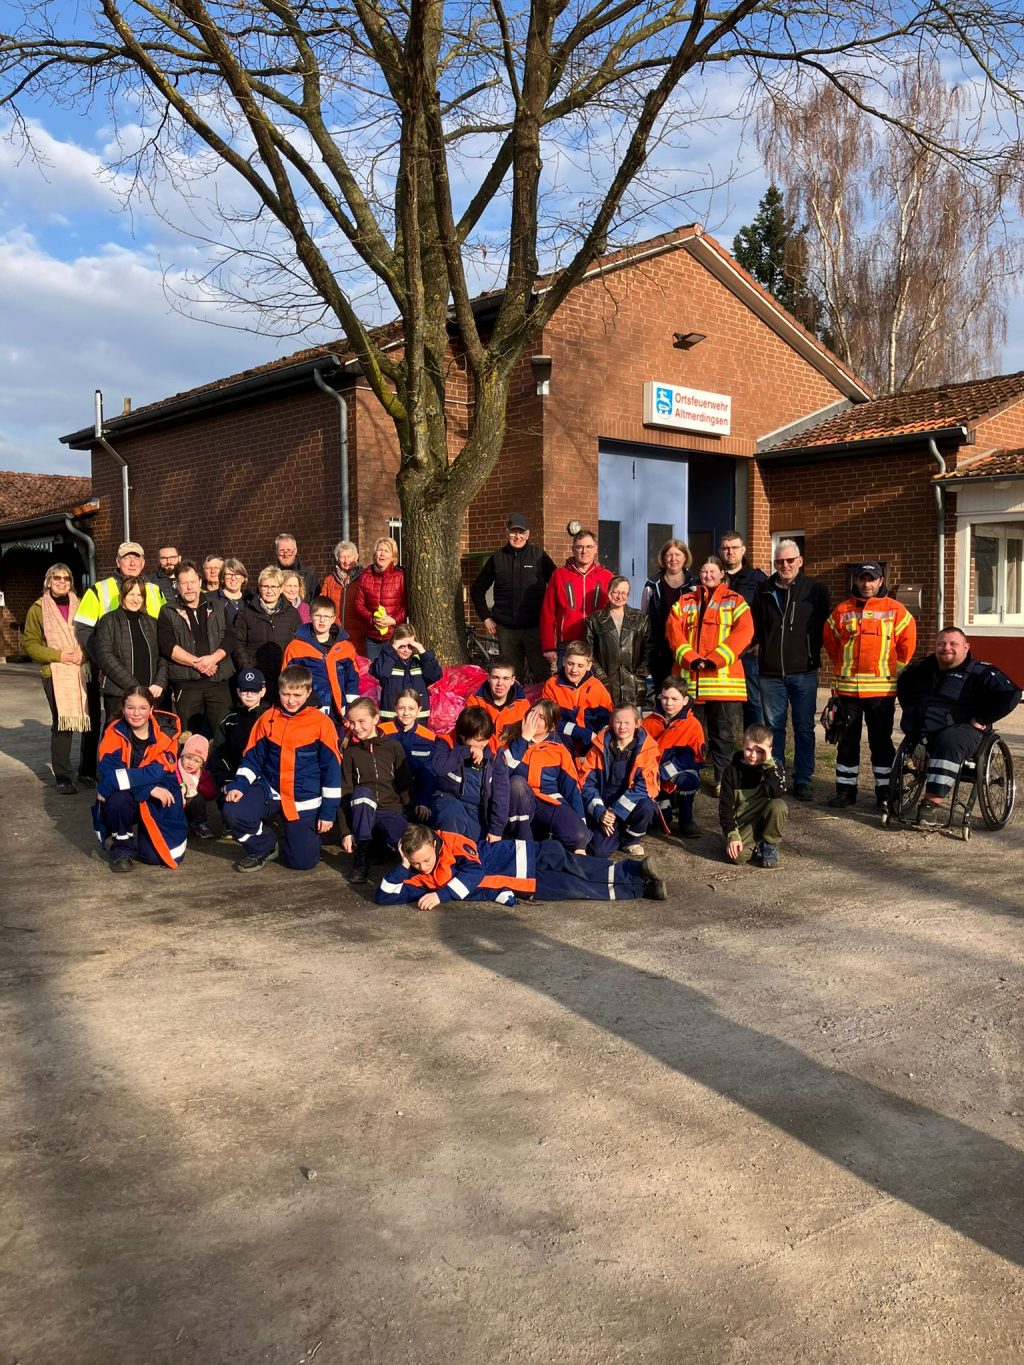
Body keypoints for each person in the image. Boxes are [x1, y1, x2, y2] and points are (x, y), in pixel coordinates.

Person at [896, 627, 1021, 827]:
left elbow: (1012, 694)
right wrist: (913, 722)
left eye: (953, 644)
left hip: (964, 731)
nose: (946, 648)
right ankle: (890, 796)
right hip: (925, 729)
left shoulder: (980, 671)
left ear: (966, 647)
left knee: (948, 741)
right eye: (941, 644)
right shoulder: (921, 669)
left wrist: (982, 718)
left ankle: (930, 804)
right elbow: (904, 688)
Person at [222, 663, 342, 872]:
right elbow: (252, 759)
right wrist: (239, 785)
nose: (291, 700)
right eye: (286, 694)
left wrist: (328, 813)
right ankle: (265, 845)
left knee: (302, 863)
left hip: (303, 798)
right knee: (234, 810)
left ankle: (296, 835)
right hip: (271, 789)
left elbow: (332, 772)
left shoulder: (322, 723)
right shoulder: (267, 718)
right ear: (279, 691)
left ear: (308, 692)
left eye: (297, 694)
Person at [376, 824, 667, 909]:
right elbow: (384, 895)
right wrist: (403, 867)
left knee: (581, 866)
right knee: (577, 888)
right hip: (524, 885)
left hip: (526, 855)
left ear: (435, 844)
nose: (424, 868)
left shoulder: (451, 842)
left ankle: (635, 869)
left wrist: (441, 895)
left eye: (426, 860)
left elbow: (474, 872)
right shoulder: (416, 874)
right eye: (417, 863)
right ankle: (643, 890)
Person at [822, 560, 917, 809]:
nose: (866, 583)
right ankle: (845, 791)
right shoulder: (841, 610)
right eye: (862, 579)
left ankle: (886, 793)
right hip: (847, 691)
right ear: (856, 580)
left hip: (881, 691)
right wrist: (844, 666)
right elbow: (831, 643)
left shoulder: (896, 610)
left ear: (881, 581)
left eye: (871, 579)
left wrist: (892, 671)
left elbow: (907, 647)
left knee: (881, 742)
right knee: (847, 742)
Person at [751, 539, 831, 801]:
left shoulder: (815, 590)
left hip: (803, 670)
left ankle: (803, 778)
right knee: (775, 727)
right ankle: (778, 776)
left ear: (800, 561)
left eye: (789, 560)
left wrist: (812, 650)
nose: (784, 565)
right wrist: (757, 645)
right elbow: (755, 624)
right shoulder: (763, 589)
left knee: (804, 727)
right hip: (770, 672)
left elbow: (825, 627)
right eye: (779, 561)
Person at [667, 556, 753, 792]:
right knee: (686, 733)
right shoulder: (684, 602)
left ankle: (722, 780)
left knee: (722, 735)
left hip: (723, 684)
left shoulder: (737, 601)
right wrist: (692, 659)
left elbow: (744, 634)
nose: (708, 575)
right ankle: (685, 778)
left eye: (712, 571)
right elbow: (674, 634)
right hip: (691, 682)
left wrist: (715, 659)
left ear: (722, 574)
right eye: (704, 571)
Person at [74, 540, 165, 763]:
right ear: (117, 561)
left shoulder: (155, 590)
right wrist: (105, 663)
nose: (132, 562)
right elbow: (84, 628)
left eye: (137, 558)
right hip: (116, 678)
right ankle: (104, 774)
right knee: (114, 729)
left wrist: (159, 681)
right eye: (126, 558)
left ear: (144, 562)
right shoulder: (99, 589)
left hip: (149, 679)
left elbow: (164, 637)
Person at [94, 686, 187, 873]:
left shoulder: (167, 731)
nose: (136, 714)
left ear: (152, 709)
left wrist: (120, 780)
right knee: (116, 798)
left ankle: (146, 835)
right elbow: (109, 773)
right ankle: (122, 846)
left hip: (162, 790)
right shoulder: (113, 733)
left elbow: (158, 772)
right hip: (144, 792)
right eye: (130, 707)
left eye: (143, 708)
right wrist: (146, 789)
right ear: (123, 708)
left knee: (153, 857)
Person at [23, 563, 95, 794]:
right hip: (55, 671)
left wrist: (83, 654)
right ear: (48, 581)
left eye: (66, 578)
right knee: (63, 722)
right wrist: (59, 655)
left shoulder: (82, 604)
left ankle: (87, 770)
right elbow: (30, 644)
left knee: (90, 720)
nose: (62, 582)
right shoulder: (38, 608)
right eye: (57, 578)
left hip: (83, 669)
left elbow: (92, 634)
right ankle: (63, 775)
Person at [470, 513, 556, 683]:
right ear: (507, 532)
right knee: (511, 678)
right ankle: (514, 708)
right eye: (513, 532)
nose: (517, 536)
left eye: (521, 532)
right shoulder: (497, 558)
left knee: (541, 675)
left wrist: (551, 617)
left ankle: (543, 709)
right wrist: (486, 618)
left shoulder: (539, 556)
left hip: (535, 628)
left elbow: (557, 583)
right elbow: (477, 589)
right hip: (507, 630)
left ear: (528, 534)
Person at [337, 696, 413, 884]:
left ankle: (386, 850)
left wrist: (411, 817)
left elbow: (405, 786)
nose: (356, 727)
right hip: (363, 815)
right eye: (352, 723)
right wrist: (345, 832)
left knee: (407, 844)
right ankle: (361, 856)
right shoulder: (350, 753)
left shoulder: (394, 747)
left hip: (390, 811)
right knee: (362, 794)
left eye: (361, 721)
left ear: (376, 718)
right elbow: (344, 793)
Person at [500, 699, 591, 853]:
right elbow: (501, 772)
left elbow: (571, 788)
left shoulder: (559, 748)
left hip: (547, 801)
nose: (534, 719)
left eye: (541, 717)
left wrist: (581, 822)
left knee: (580, 836)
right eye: (532, 713)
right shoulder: (510, 738)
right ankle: (524, 848)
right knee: (517, 783)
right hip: (518, 801)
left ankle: (545, 840)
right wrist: (523, 739)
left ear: (551, 726)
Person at [157, 559, 236, 734]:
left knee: (223, 735)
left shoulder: (218, 607)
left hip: (218, 683)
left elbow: (230, 638)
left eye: (192, 582)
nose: (189, 587)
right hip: (187, 686)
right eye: (184, 583)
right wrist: (198, 663)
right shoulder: (167, 611)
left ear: (200, 582)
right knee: (188, 736)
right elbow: (167, 646)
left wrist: (212, 659)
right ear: (177, 585)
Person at [580, 705, 661, 856]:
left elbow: (646, 787)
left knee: (648, 807)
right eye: (618, 722)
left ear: (637, 723)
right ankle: (614, 835)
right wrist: (601, 813)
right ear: (612, 723)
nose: (622, 727)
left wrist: (616, 811)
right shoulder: (598, 748)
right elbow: (586, 784)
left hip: (628, 807)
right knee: (599, 852)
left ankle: (630, 840)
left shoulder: (647, 749)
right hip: (604, 807)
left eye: (627, 723)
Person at [95, 574, 169, 723]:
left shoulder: (152, 623)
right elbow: (105, 656)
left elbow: (163, 655)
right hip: (119, 693)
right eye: (131, 594)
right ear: (122, 595)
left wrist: (160, 682)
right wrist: (135, 688)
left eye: (139, 595)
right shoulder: (108, 621)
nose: (135, 599)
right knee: (116, 736)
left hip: (150, 693)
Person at [431, 706, 511, 842]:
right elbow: (438, 767)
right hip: (450, 801)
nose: (483, 744)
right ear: (462, 736)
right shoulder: (446, 743)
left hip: (478, 810)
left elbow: (501, 792)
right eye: (478, 740)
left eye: (486, 739)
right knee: (451, 817)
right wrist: (466, 751)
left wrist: (496, 830)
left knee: (475, 847)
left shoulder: (495, 751)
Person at [539, 528, 614, 669]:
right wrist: (548, 646)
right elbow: (548, 612)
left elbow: (615, 611)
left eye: (589, 547)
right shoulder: (560, 575)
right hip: (567, 644)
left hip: (598, 644)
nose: (584, 551)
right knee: (566, 687)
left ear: (596, 548)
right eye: (579, 547)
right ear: (573, 549)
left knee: (594, 688)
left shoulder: (606, 576)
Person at [643, 678, 705, 838]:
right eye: (664, 698)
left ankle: (686, 820)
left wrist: (663, 773)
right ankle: (665, 809)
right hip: (651, 777)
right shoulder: (648, 722)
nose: (668, 703)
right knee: (658, 823)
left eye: (674, 699)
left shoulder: (693, 725)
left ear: (685, 700)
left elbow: (695, 759)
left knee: (688, 779)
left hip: (673, 776)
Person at [282, 596, 360, 726]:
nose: (322, 620)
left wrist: (352, 707)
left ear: (333, 619)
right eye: (318, 615)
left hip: (339, 713)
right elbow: (288, 681)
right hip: (308, 711)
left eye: (327, 616)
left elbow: (352, 679)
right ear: (311, 616)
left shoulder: (346, 647)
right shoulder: (296, 647)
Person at [719, 723, 788, 869]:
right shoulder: (731, 771)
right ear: (742, 745)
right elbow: (725, 807)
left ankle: (769, 846)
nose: (753, 755)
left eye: (760, 751)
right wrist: (732, 835)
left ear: (769, 750)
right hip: (745, 824)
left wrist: (768, 763)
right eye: (749, 749)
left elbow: (777, 792)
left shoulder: (775, 767)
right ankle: (756, 844)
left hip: (765, 816)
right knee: (737, 857)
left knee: (779, 805)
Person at [719, 530, 768, 726]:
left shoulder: (757, 579)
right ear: (720, 551)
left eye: (734, 548)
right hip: (718, 651)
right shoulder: (713, 575)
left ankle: (753, 749)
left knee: (752, 701)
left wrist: (761, 642)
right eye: (726, 548)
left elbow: (768, 614)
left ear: (743, 550)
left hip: (747, 651)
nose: (730, 552)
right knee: (720, 703)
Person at [233, 566, 303, 700]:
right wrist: (249, 668)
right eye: (265, 586)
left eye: (274, 586)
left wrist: (291, 671)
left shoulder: (292, 614)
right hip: (255, 678)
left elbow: (299, 645)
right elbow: (237, 644)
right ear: (259, 587)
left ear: (281, 588)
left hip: (284, 678)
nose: (269, 590)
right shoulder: (246, 613)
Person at [584, 574, 650, 709]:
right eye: (616, 592)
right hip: (605, 682)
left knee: (633, 724)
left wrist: (641, 673)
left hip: (633, 684)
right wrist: (601, 676)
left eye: (624, 593)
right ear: (609, 592)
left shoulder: (640, 619)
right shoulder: (594, 620)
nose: (620, 596)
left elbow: (649, 648)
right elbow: (588, 653)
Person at [542, 639, 613, 759]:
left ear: (589, 666)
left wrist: (601, 735)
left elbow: (607, 720)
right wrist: (582, 733)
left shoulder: (597, 687)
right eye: (570, 664)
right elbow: (549, 721)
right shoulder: (552, 685)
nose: (574, 670)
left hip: (592, 745)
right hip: (562, 743)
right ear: (563, 661)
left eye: (580, 666)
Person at [641, 538, 695, 691]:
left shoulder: (694, 585)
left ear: (685, 557)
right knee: (663, 694)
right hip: (659, 650)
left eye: (677, 555)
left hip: (686, 648)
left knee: (684, 694)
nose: (673, 559)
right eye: (669, 555)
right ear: (663, 558)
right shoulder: (652, 584)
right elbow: (644, 617)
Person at [380, 689, 439, 819]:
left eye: (411, 708)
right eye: (401, 708)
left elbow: (428, 774)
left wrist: (423, 802)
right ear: (394, 707)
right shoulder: (382, 732)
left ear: (419, 710)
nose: (406, 713)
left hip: (416, 795)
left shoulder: (428, 737)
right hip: (387, 794)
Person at [209, 667, 270, 791]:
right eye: (245, 690)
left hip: (266, 779)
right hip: (234, 778)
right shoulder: (229, 720)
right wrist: (226, 779)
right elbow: (219, 752)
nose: (249, 695)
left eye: (254, 691)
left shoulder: (272, 717)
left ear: (262, 691)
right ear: (238, 691)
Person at [369, 624, 443, 721]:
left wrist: (423, 652)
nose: (406, 650)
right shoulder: (387, 660)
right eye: (401, 646)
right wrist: (392, 649)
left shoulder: (420, 662)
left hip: (418, 719)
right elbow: (380, 673)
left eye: (410, 646)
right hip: (392, 717)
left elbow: (435, 675)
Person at [352, 536, 407, 661]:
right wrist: (372, 618)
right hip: (372, 638)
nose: (382, 554)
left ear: (393, 557)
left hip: (394, 636)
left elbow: (405, 606)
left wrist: (393, 620)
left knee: (393, 675)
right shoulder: (365, 575)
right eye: (379, 550)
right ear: (374, 554)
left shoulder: (400, 576)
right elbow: (358, 604)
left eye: (386, 551)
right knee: (373, 676)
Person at [465, 656, 531, 752]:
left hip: (511, 757)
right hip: (481, 755)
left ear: (513, 680)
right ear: (488, 678)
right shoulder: (474, 702)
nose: (500, 683)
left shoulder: (523, 706)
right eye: (495, 678)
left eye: (506, 678)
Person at [319, 540, 366, 656]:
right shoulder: (330, 580)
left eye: (349, 556)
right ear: (337, 558)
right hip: (335, 633)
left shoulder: (365, 578)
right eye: (342, 557)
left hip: (359, 634)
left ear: (356, 556)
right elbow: (322, 604)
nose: (346, 561)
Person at [176, 732, 216, 839]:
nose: (191, 763)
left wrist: (198, 787)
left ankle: (201, 824)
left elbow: (210, 794)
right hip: (177, 806)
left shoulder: (202, 774)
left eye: (197, 761)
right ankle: (181, 825)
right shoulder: (175, 770)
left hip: (191, 806)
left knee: (198, 798)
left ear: (202, 764)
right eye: (188, 758)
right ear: (182, 756)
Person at [273, 532, 318, 602]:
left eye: (289, 550)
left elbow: (315, 602)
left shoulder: (309, 574)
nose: (285, 554)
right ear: (276, 552)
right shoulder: (269, 575)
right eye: (281, 551)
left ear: (295, 551)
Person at [215, 558, 250, 625]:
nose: (233, 578)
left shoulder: (251, 600)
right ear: (223, 577)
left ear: (243, 578)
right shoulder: (212, 599)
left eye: (237, 574)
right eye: (229, 574)